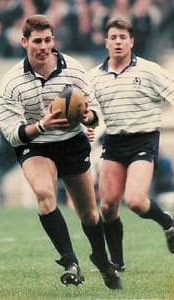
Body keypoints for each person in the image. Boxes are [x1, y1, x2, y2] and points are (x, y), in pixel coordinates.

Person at [0, 14, 122, 289]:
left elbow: (96, 112)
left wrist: (88, 117)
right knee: (44, 194)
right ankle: (70, 262)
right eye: (37, 41)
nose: (43, 47)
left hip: (70, 142)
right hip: (35, 145)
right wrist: (41, 126)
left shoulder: (74, 70)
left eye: (48, 40)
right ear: (24, 42)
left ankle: (101, 261)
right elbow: (11, 133)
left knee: (89, 213)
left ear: (54, 40)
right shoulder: (10, 83)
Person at [87, 17, 174, 272]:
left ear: (131, 41)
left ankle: (167, 221)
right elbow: (90, 114)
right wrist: (87, 125)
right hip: (113, 140)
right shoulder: (94, 77)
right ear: (106, 42)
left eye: (122, 38)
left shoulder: (149, 70)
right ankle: (118, 263)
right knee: (107, 205)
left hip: (143, 139)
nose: (117, 42)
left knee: (135, 200)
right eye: (113, 37)